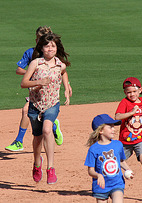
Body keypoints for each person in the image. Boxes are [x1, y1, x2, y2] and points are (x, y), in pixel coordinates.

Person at [5, 26, 72, 151]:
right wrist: (33, 72)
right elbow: (19, 70)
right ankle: (52, 126)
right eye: (38, 39)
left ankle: (19, 141)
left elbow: (63, 70)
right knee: (31, 114)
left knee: (26, 110)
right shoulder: (31, 53)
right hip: (36, 91)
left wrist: (67, 87)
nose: (40, 42)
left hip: (50, 94)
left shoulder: (53, 53)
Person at [21, 32, 71, 184]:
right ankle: (37, 164)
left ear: (57, 48)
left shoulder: (59, 64)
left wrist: (67, 88)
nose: (50, 48)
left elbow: (63, 72)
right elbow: (23, 83)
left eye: (53, 46)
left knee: (47, 130)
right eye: (47, 46)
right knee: (37, 137)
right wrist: (39, 82)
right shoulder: (35, 63)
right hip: (35, 105)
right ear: (41, 48)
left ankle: (51, 168)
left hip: (52, 104)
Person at [115, 77, 142, 195]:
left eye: (134, 91)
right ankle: (125, 174)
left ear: (140, 90)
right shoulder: (124, 102)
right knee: (118, 160)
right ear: (125, 93)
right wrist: (131, 113)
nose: (131, 94)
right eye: (128, 92)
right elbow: (117, 116)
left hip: (139, 139)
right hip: (125, 140)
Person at [84, 114, 133, 203]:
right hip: (101, 186)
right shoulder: (93, 149)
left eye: (113, 127)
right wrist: (98, 175)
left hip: (117, 183)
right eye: (110, 127)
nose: (114, 129)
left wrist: (128, 169)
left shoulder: (118, 144)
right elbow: (90, 170)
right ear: (101, 130)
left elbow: (121, 161)